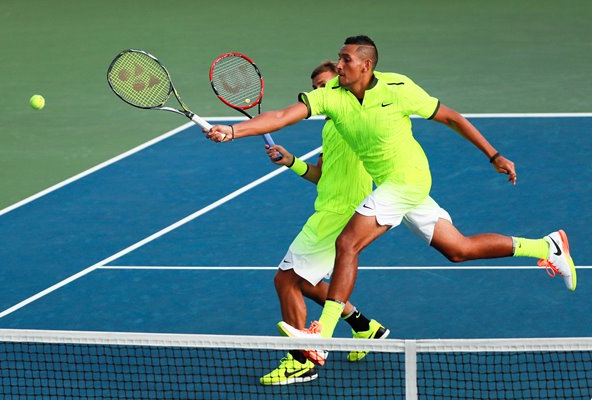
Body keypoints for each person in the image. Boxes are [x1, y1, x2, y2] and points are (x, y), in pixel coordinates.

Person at [206, 35, 577, 365]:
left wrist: (493, 154)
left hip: (409, 179)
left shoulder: (398, 87)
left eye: (346, 59)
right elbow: (284, 116)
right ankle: (547, 246)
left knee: (347, 243)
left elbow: (450, 117)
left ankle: (322, 334)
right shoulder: (331, 97)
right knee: (458, 248)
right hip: (393, 185)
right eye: (338, 58)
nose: (339, 64)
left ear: (366, 65)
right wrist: (234, 131)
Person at [260, 61, 389, 386]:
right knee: (305, 282)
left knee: (286, 280)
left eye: (327, 84)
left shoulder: (352, 121)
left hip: (338, 216)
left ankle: (300, 360)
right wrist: (291, 162)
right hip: (330, 211)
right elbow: (321, 177)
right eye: (316, 87)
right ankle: (364, 327)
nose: (321, 91)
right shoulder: (331, 127)